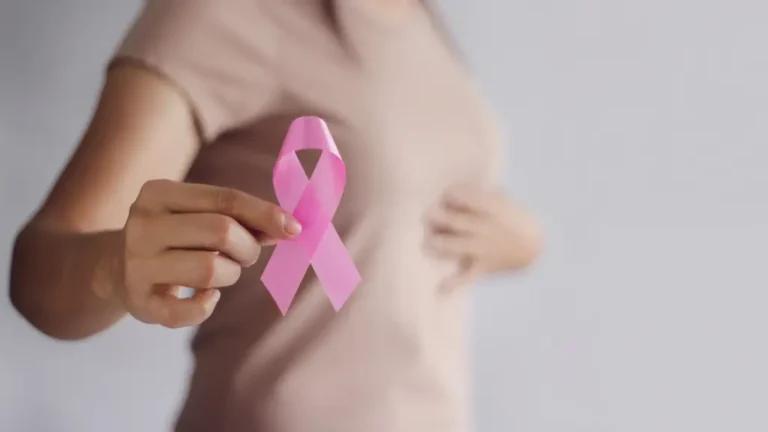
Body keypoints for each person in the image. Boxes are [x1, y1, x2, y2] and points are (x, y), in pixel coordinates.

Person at [9, 1, 541, 431]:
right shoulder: (221, 15)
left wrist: (522, 245)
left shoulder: (424, 20)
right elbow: (40, 270)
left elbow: (397, 206)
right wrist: (112, 269)